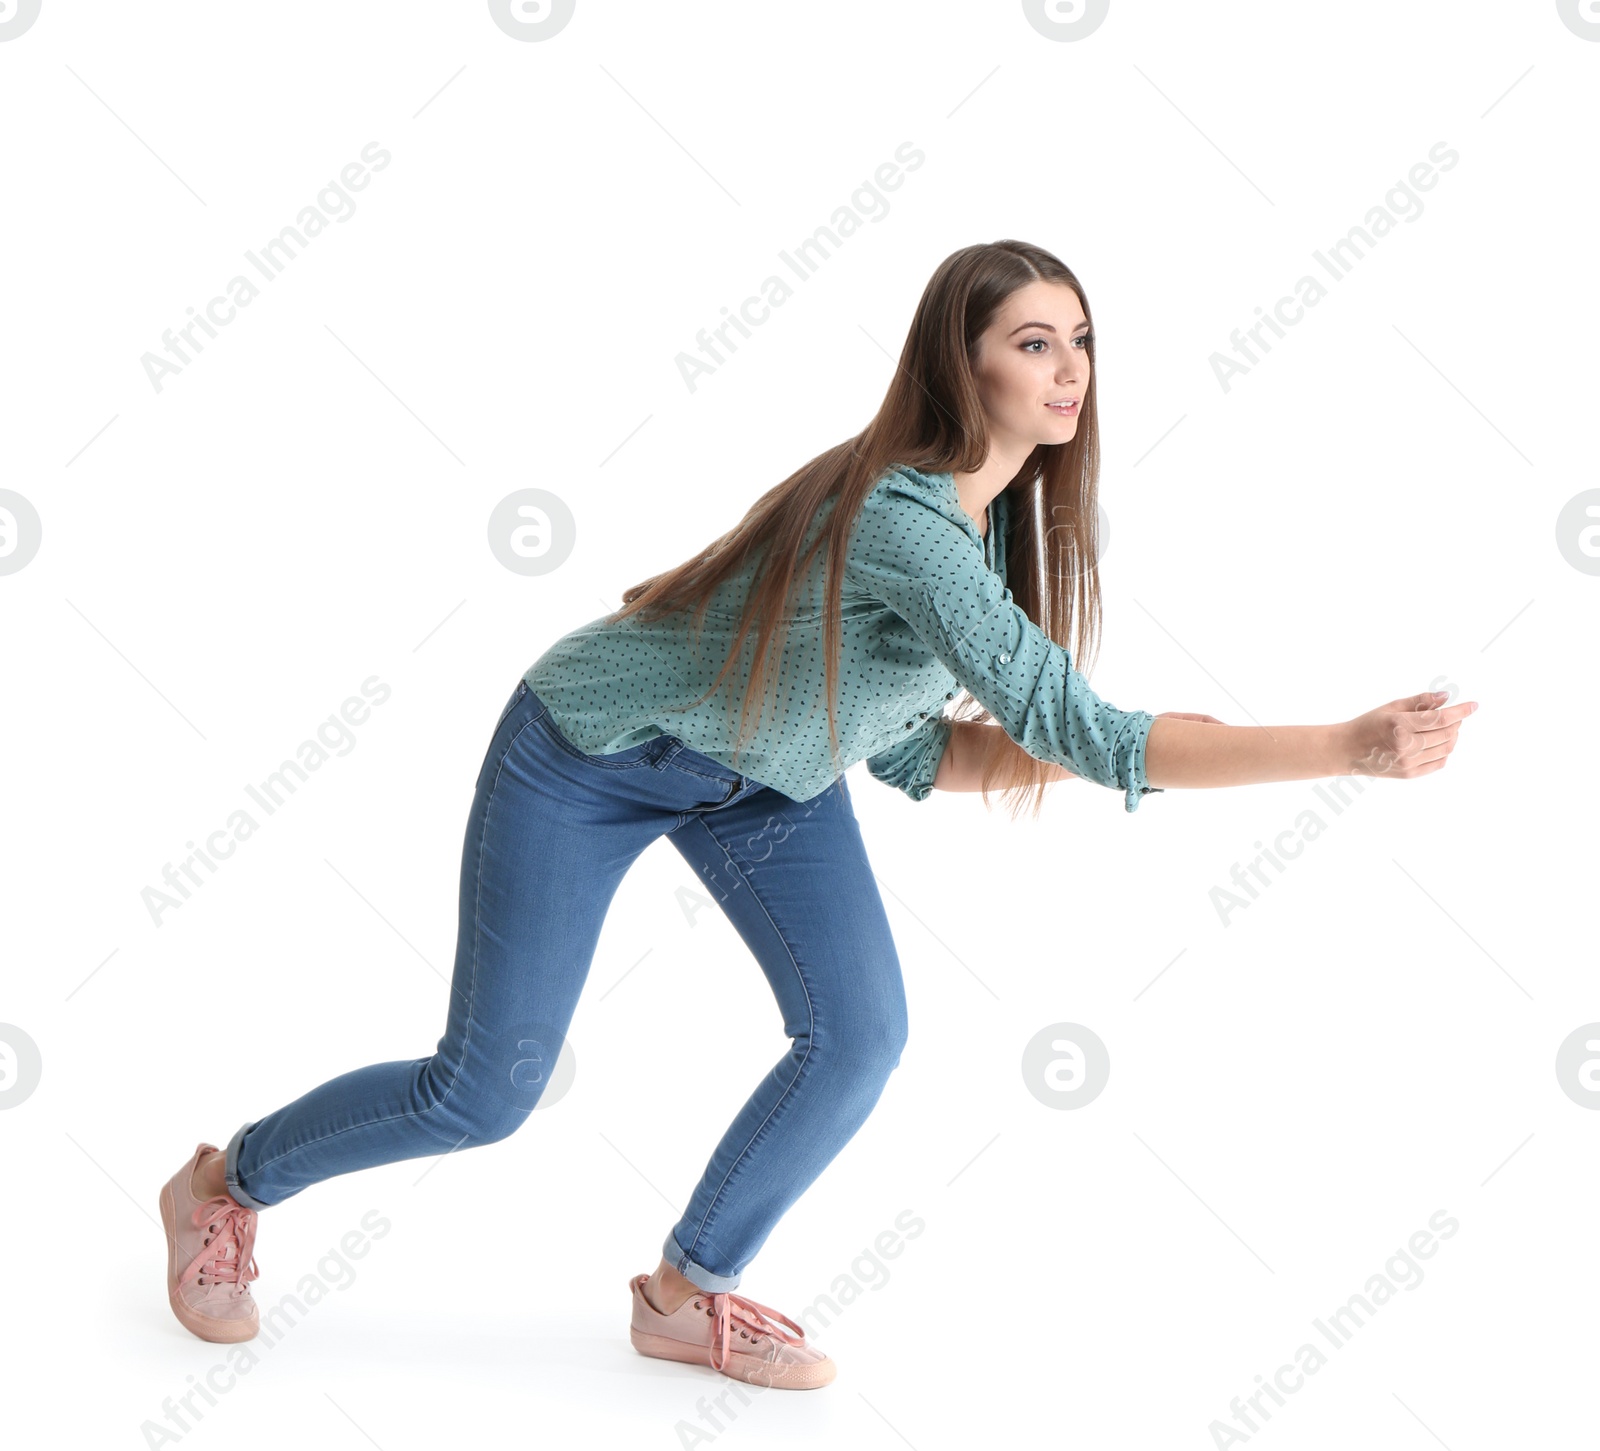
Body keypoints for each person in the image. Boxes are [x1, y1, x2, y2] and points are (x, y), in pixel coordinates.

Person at [160, 238, 1476, 1389]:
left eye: (1081, 340)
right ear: (965, 369)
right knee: (483, 1093)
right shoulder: (910, 524)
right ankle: (226, 1184)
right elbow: (1085, 730)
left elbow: (927, 758)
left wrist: (1079, 750)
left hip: (764, 780)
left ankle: (684, 1300)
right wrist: (1344, 746)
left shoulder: (999, 537)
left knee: (858, 1036)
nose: (1069, 368)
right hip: (592, 751)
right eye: (1034, 341)